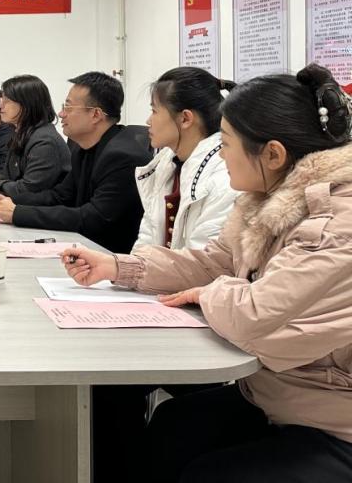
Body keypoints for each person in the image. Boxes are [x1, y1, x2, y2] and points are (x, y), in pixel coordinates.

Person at [63, 64, 352, 483]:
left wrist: (208, 293)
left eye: (227, 144)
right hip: (274, 395)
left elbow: (256, 315)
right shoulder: (265, 198)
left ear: (272, 154)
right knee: (169, 430)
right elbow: (213, 261)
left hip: (333, 418)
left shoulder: (337, 222)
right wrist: (121, 267)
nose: (220, 155)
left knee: (207, 473)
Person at [0, 71, 151, 253]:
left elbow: (93, 218)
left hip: (107, 255)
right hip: (83, 247)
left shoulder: (123, 156)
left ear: (95, 115)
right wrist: (10, 200)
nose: (61, 114)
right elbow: (60, 196)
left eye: (68, 107)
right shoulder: (81, 147)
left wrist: (17, 213)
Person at [135, 67, 238, 250]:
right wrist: (126, 266)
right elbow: (147, 238)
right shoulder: (165, 163)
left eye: (154, 111)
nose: (148, 121)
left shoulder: (225, 176)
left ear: (185, 119)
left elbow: (203, 259)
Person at [0, 75, 70, 197]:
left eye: (6, 101)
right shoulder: (21, 134)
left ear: (26, 105)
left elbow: (29, 189)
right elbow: (11, 176)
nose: (1, 106)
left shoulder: (44, 141)